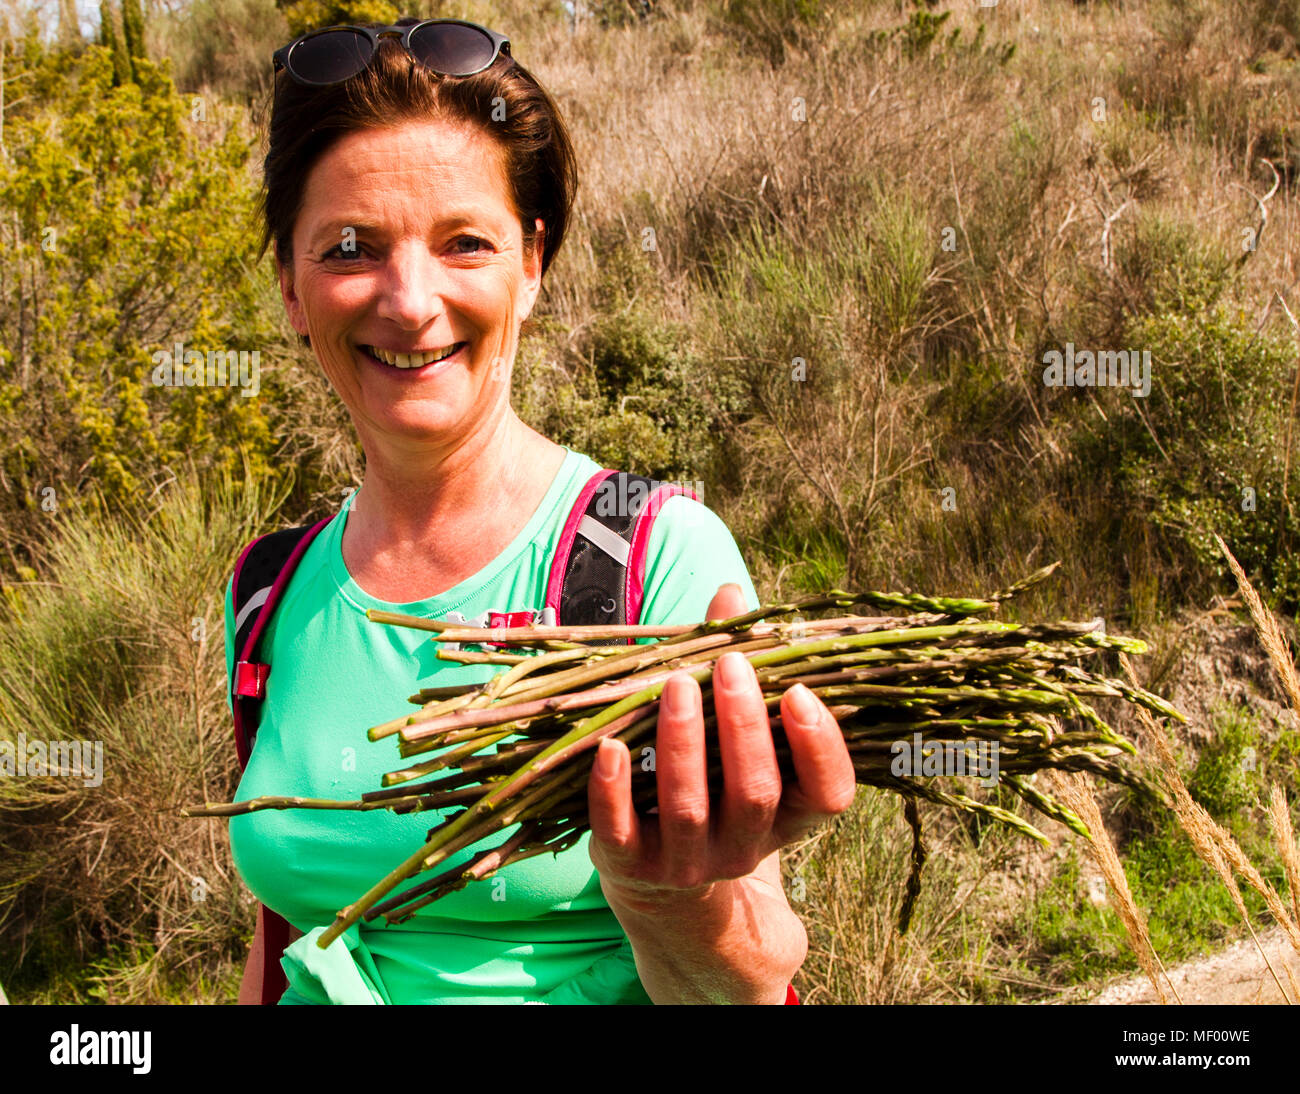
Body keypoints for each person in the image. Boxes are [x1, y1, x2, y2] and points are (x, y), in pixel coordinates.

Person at [224, 16, 856, 1004]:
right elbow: (289, 937)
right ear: (292, 290)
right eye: (351, 248)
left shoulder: (649, 557)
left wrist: (666, 899)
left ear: (531, 264)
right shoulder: (268, 590)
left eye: (463, 243)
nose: (409, 299)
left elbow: (748, 974)